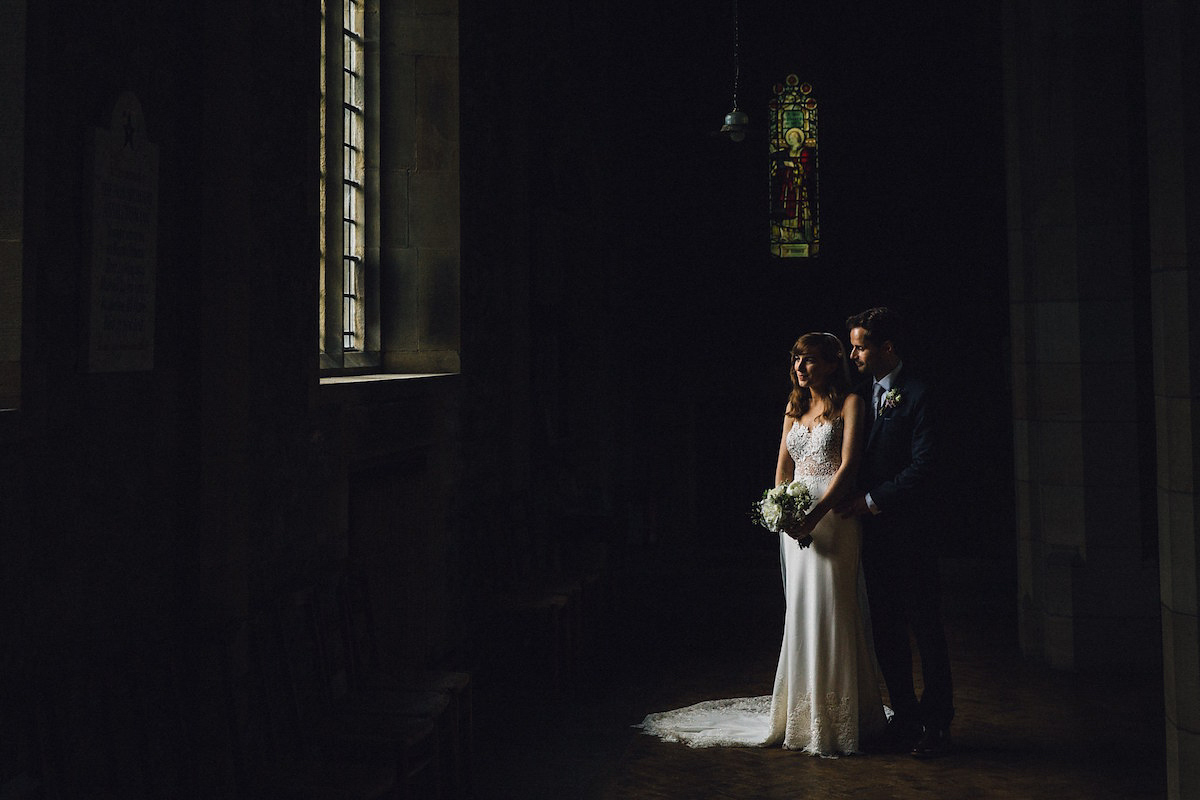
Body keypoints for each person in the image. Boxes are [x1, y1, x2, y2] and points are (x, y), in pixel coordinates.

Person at [636, 332, 886, 755]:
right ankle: (801, 718)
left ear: (830, 363)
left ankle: (840, 719)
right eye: (795, 361)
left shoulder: (851, 404)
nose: (799, 369)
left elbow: (848, 468)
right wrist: (784, 510)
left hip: (834, 519)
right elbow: (782, 466)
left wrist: (814, 514)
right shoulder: (794, 407)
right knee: (802, 611)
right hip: (797, 527)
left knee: (834, 608)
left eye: (807, 361)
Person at [834, 307, 955, 758]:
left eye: (861, 345)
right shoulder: (861, 396)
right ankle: (904, 716)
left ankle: (938, 724)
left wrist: (868, 501)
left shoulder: (921, 394)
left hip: (913, 534)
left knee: (926, 629)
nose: (853, 353)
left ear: (887, 348)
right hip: (873, 540)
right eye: (852, 345)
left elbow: (925, 466)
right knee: (885, 629)